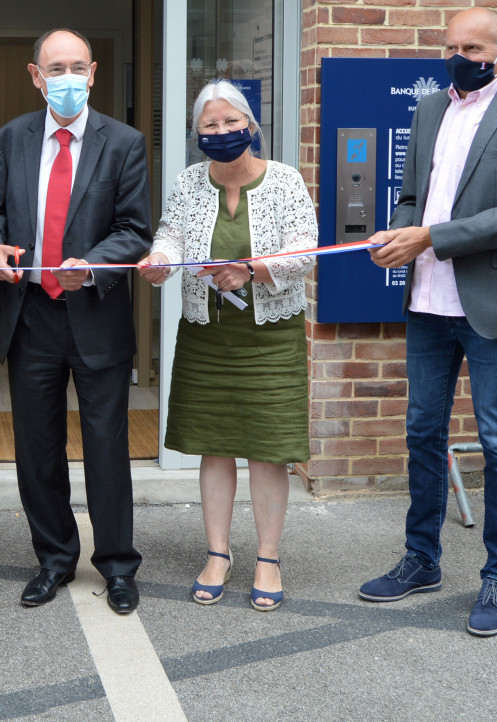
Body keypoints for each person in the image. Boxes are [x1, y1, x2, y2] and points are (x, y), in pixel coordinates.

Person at [358, 7, 497, 637]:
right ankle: (422, 559)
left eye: (473, 46)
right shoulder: (429, 110)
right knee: (423, 432)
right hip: (427, 302)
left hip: (493, 302)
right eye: (451, 45)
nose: (460, 56)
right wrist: (400, 229)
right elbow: (413, 196)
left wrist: (429, 237)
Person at [0, 28, 152, 614]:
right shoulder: (9, 139)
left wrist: (96, 265)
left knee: (107, 447)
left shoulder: (124, 142)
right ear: (35, 76)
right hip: (31, 317)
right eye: (56, 68)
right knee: (37, 450)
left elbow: (134, 229)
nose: (68, 77)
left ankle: (117, 566)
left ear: (94, 71)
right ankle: (54, 559)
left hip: (96, 314)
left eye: (77, 66)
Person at [138, 80, 317, 611]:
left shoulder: (285, 180)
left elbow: (306, 250)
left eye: (230, 122)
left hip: (271, 338)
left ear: (251, 126)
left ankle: (267, 556)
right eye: (209, 126)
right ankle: (217, 553)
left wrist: (254, 270)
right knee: (214, 446)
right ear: (197, 133)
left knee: (267, 450)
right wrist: (159, 261)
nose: (221, 132)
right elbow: (170, 233)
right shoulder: (188, 182)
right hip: (206, 336)